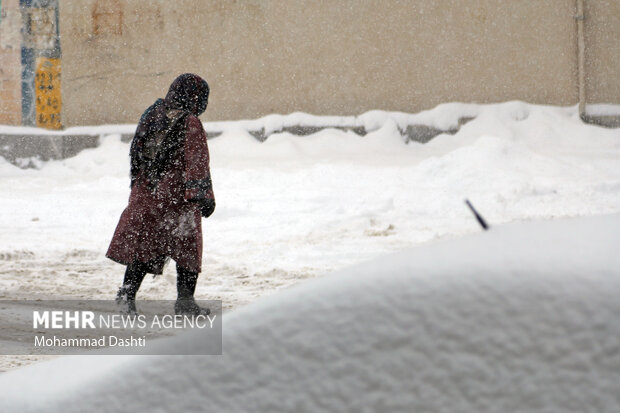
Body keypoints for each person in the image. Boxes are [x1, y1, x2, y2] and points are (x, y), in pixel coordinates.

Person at [106, 73, 215, 316]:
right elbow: (196, 161)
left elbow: (137, 152)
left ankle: (126, 294)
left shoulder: (151, 114)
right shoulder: (189, 122)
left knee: (145, 246)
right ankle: (185, 301)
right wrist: (203, 195)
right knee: (187, 249)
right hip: (177, 199)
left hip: (147, 194)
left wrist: (140, 187)